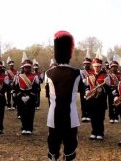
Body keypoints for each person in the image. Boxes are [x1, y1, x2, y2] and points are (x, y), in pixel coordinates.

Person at [46, 31, 82, 161]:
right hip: (70, 115)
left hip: (53, 115)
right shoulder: (77, 73)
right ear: (69, 54)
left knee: (53, 145)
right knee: (70, 145)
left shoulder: (48, 73)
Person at [86, 49, 111, 140]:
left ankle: (100, 132)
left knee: (100, 117)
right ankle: (94, 132)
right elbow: (88, 86)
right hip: (92, 99)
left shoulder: (105, 76)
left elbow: (109, 89)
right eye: (95, 66)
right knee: (93, 116)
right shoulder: (90, 76)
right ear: (93, 66)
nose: (96, 68)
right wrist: (87, 91)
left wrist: (102, 89)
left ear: (101, 66)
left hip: (101, 99)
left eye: (98, 66)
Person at [13, 52, 39, 135]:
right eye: (25, 67)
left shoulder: (35, 76)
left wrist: (31, 95)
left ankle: (29, 128)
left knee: (30, 113)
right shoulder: (18, 76)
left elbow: (36, 88)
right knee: (22, 113)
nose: (27, 69)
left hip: (31, 97)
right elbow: (16, 88)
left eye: (28, 67)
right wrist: (18, 95)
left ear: (30, 68)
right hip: (21, 97)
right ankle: (24, 127)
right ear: (23, 68)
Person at [79, 50, 94, 122]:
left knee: (90, 102)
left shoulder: (93, 71)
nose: (86, 65)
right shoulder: (81, 72)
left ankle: (89, 115)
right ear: (83, 64)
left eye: (88, 64)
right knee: (83, 102)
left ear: (90, 64)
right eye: (85, 64)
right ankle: (84, 115)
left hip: (91, 89)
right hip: (82, 88)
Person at [107, 58, 121, 123]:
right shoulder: (109, 75)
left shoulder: (120, 75)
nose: (114, 68)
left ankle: (116, 116)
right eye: (112, 67)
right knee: (110, 104)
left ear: (117, 67)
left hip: (118, 90)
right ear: (111, 67)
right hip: (110, 90)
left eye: (115, 67)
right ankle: (111, 117)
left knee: (117, 104)